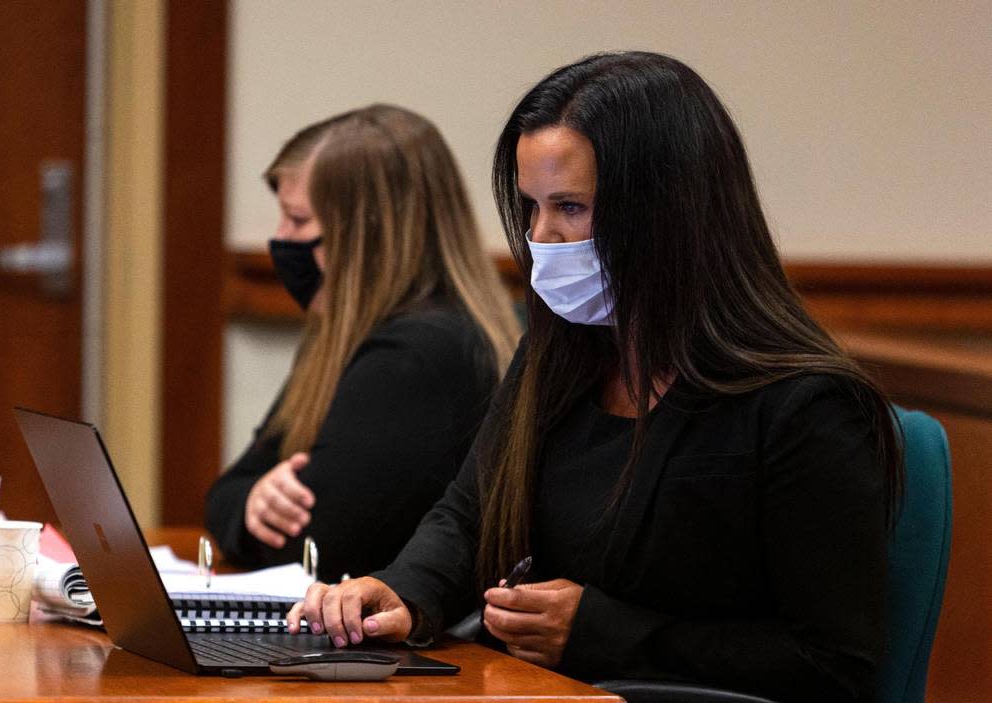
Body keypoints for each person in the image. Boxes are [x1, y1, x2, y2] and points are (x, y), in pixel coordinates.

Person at [286, 53, 901, 703]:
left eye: (571, 207)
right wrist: (407, 591)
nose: (540, 237)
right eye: (532, 207)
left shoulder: (803, 407)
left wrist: (610, 633)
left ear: (669, 213)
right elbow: (469, 512)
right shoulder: (561, 356)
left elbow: (835, 664)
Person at [205, 105, 521, 583]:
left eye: (297, 219)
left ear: (368, 233)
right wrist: (252, 501)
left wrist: (249, 516)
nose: (279, 239)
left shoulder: (418, 354)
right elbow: (226, 491)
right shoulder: (342, 337)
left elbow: (318, 551)